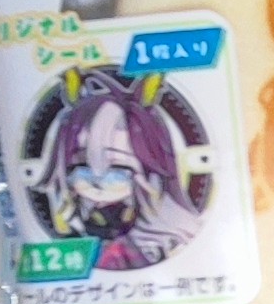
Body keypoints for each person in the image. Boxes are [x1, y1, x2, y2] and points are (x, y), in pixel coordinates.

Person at [29, 67, 205, 272]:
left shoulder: (179, 237)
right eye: (82, 169)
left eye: (117, 170)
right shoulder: (73, 231)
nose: (97, 186)